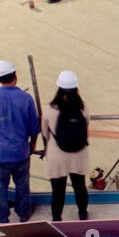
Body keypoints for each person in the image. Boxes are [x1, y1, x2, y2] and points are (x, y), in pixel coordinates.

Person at [0, 60, 42, 227]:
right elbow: (34, 127)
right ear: (15, 76)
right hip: (20, 152)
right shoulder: (26, 99)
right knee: (22, 184)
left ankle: (0, 218)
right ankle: (23, 212)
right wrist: (32, 144)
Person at [44, 70, 91, 221]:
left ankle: (57, 217)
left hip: (57, 154)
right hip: (78, 153)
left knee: (58, 190)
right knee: (79, 186)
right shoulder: (83, 107)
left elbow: (45, 132)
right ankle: (82, 213)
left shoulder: (51, 109)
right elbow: (86, 126)